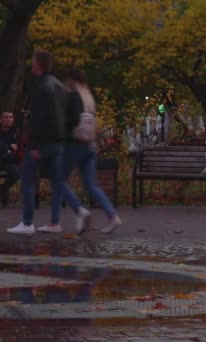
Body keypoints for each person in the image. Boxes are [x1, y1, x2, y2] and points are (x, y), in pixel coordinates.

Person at [7, 51, 67, 234]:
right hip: (58, 142)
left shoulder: (40, 86)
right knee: (57, 183)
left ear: (37, 65)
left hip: (42, 143)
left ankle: (27, 222)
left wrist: (33, 145)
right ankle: (54, 222)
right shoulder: (58, 86)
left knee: (28, 180)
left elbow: (38, 119)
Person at [60, 68, 122, 234]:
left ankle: (79, 210)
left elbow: (72, 120)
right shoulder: (88, 96)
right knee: (91, 185)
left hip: (75, 143)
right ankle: (112, 215)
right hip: (90, 145)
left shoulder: (74, 95)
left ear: (71, 79)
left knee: (59, 179)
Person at [0, 112, 20, 207]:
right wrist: (9, 148)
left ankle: (3, 188)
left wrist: (7, 150)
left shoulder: (15, 133)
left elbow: (18, 149)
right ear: (1, 120)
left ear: (13, 120)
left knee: (15, 172)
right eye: (5, 117)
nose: (8, 119)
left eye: (10, 117)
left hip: (9, 162)